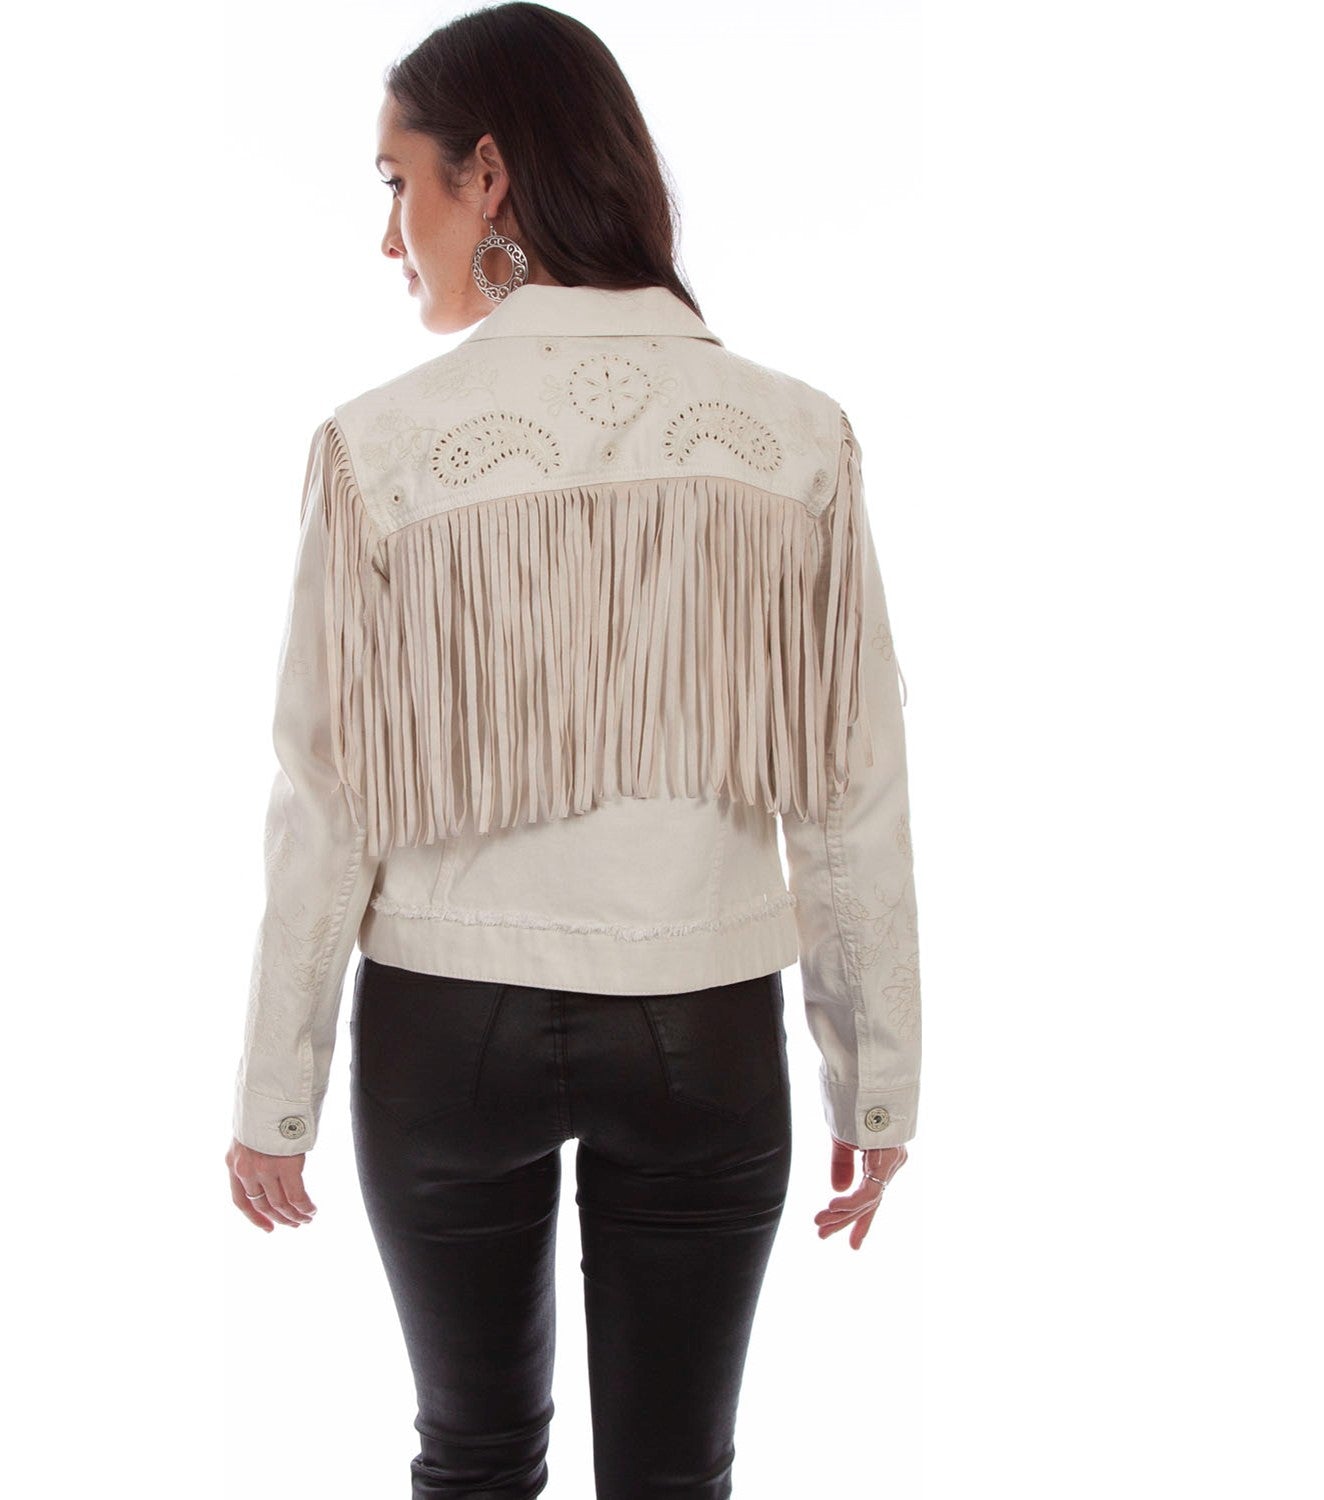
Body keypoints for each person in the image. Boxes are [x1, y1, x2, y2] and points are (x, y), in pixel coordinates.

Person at [223, 5, 921, 1496]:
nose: (388, 235)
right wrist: (875, 1080)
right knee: (677, 1479)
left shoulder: (379, 448)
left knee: (473, 1459)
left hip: (444, 1028)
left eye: (397, 181)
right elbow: (853, 785)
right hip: (702, 1025)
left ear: (487, 176)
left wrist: (275, 1092)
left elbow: (324, 797)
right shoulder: (797, 437)